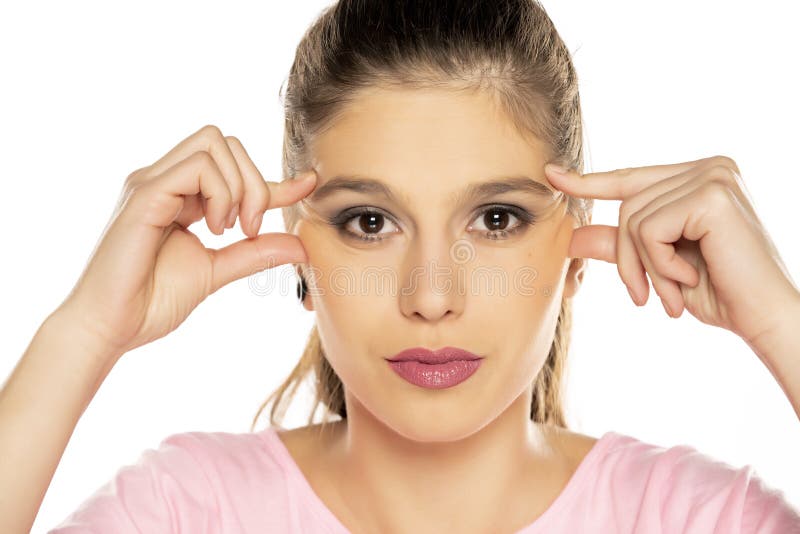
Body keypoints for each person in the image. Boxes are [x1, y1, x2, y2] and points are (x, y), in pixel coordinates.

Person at [1, 0, 799, 532]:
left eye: (495, 219)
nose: (431, 296)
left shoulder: (697, 519)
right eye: (370, 222)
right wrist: (84, 331)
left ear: (579, 240)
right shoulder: (185, 511)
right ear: (297, 243)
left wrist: (779, 319)